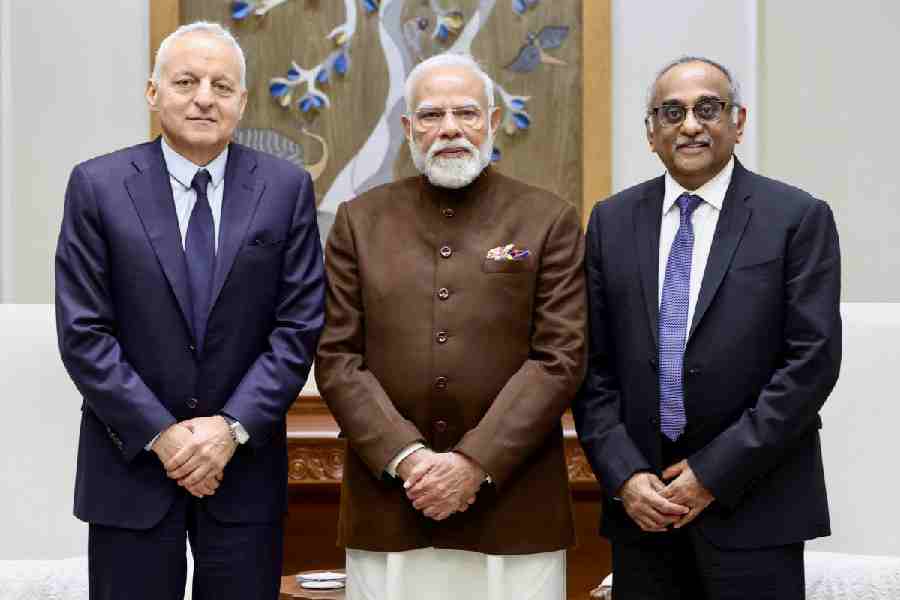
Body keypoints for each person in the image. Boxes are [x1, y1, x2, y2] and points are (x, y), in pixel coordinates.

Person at [55, 21, 324, 600]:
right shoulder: (97, 186)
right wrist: (163, 435)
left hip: (243, 470)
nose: (204, 97)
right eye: (186, 81)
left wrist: (228, 430)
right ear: (153, 93)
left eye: (222, 86)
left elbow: (298, 327)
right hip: (130, 467)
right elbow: (84, 333)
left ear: (243, 102)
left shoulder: (285, 188)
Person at [315, 53, 586, 600]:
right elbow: (337, 357)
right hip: (389, 500)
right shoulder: (358, 221)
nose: (450, 129)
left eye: (466, 112)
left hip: (514, 503)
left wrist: (472, 462)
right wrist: (410, 460)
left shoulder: (548, 218)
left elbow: (559, 358)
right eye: (432, 115)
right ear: (408, 129)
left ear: (492, 121)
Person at [574, 56, 841, 599]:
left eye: (708, 108)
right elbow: (589, 365)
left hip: (756, 508)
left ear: (737, 122)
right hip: (642, 515)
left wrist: (712, 474)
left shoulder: (796, 217)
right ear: (651, 133)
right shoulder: (610, 221)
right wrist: (625, 477)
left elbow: (810, 363)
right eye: (671, 112)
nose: (690, 124)